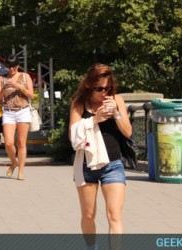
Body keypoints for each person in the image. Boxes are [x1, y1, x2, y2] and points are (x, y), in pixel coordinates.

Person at [69, 63, 131, 244]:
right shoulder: (79, 103)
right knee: (88, 215)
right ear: (89, 85)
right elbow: (73, 135)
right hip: (86, 165)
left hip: (113, 165)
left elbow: (128, 132)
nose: (104, 92)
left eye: (108, 88)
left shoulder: (116, 100)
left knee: (114, 215)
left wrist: (116, 113)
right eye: (100, 89)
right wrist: (94, 120)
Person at [0, 54, 34, 180]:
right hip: (8, 112)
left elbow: (31, 95)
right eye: (9, 67)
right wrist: (4, 88)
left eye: (13, 67)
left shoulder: (25, 76)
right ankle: (14, 162)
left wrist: (19, 86)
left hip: (23, 110)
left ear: (17, 66)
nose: (11, 69)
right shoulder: (2, 79)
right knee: (8, 142)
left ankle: (21, 172)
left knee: (21, 142)